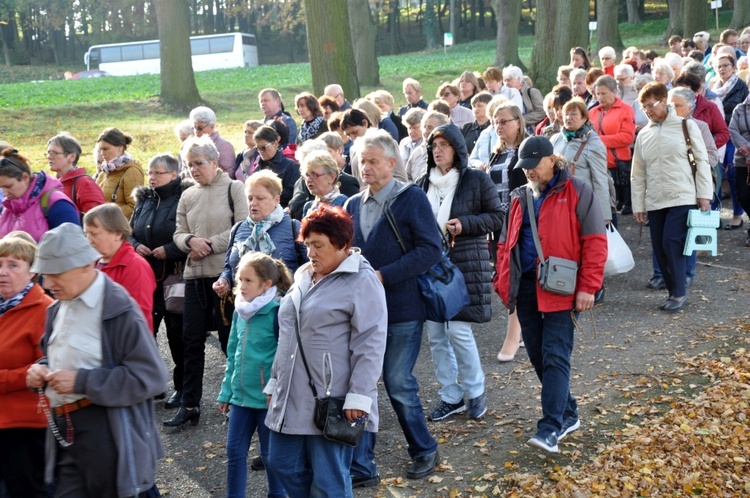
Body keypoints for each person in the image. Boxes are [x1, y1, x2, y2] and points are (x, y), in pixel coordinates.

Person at [26, 222, 168, 497]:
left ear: (85, 265)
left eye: (56, 273)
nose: (47, 283)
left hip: (108, 434)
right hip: (66, 432)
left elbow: (152, 377)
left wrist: (82, 381)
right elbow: (56, 357)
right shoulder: (57, 307)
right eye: (44, 274)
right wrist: (41, 370)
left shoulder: (119, 309)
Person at [494, 136, 607, 453]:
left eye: (532, 165)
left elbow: (596, 241)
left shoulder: (577, 190)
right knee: (539, 357)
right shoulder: (519, 198)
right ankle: (568, 412)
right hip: (528, 287)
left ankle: (550, 428)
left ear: (550, 160)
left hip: (563, 288)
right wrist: (504, 286)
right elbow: (505, 246)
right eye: (524, 166)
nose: (528, 171)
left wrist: (588, 286)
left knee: (555, 355)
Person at [265, 204, 387, 498]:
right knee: (281, 464)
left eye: (318, 245)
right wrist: (275, 381)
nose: (311, 253)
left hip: (334, 400)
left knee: (329, 481)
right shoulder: (305, 275)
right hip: (290, 393)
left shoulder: (363, 281)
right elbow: (288, 335)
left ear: (343, 245)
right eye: (307, 245)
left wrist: (359, 395)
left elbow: (370, 344)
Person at [346, 129, 443, 484]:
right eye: (361, 160)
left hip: (402, 309)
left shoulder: (411, 198)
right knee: (363, 384)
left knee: (398, 382)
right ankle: (362, 466)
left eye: (372, 160)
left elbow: (431, 250)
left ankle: (424, 448)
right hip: (363, 314)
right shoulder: (352, 204)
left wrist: (384, 276)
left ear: (391, 162)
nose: (365, 166)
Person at [417, 123, 502, 422]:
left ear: (457, 149)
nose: (437, 151)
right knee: (437, 335)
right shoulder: (421, 184)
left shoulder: (476, 180)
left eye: (443, 145)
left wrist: (465, 224)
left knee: (458, 330)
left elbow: (496, 217)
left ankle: (475, 391)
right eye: (433, 146)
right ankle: (451, 396)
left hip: (465, 264)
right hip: (430, 269)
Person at [167, 136, 248, 427]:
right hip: (194, 276)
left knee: (230, 342)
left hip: (225, 276)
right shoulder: (187, 195)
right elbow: (177, 233)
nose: (193, 169)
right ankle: (190, 404)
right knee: (191, 342)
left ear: (215, 161)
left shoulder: (234, 188)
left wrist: (209, 244)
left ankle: (237, 401)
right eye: (189, 165)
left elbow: (243, 228)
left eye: (199, 163)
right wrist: (189, 241)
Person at [632, 82, 713, 311]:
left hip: (683, 196)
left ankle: (679, 292)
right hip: (656, 199)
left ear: (664, 101)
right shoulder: (644, 135)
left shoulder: (686, 126)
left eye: (651, 105)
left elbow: (702, 161)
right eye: (643, 107)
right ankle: (672, 290)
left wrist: (704, 195)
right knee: (659, 247)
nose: (647, 110)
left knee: (672, 241)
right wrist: (639, 204)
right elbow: (637, 174)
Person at [218, 252, 291, 498]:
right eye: (240, 280)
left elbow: (285, 358)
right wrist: (226, 392)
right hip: (240, 398)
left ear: (266, 285)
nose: (242, 286)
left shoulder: (278, 312)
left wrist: (276, 389)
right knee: (234, 452)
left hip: (267, 401)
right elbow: (233, 353)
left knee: (271, 456)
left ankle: (277, 495)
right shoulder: (240, 311)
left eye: (248, 281)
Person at [130, 153, 190, 409]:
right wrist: (135, 245)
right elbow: (129, 232)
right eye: (150, 172)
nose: (152, 177)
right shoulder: (143, 199)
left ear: (174, 175)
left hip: (174, 276)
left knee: (178, 335)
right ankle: (151, 383)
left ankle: (182, 388)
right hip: (145, 277)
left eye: (159, 173)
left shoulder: (184, 198)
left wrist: (170, 249)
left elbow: (191, 236)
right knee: (145, 332)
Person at [0, 233, 51, 498]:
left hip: (24, 424)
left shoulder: (44, 310)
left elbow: (43, 372)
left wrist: (4, 380)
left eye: (13, 265)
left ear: (32, 272)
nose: (3, 272)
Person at [214, 169, 307, 303]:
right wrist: (224, 281)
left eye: (260, 198)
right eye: (250, 198)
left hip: (282, 308)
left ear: (276, 199)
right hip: (243, 309)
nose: (253, 203)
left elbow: (307, 268)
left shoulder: (294, 227)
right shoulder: (238, 228)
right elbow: (229, 267)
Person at [83, 203, 156, 332]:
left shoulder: (135, 266)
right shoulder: (91, 262)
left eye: (94, 234)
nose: (89, 240)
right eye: (86, 234)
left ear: (117, 234)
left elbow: (137, 318)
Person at [0, 149, 79, 241]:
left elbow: (72, 246)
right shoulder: (9, 206)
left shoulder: (57, 204)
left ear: (25, 178)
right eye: (1, 188)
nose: (5, 193)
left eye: (9, 186)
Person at [710, 55, 749, 230]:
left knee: (733, 177)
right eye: (718, 66)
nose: (722, 69)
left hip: (734, 137)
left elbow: (742, 115)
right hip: (717, 134)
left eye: (725, 65)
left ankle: (737, 215)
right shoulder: (713, 87)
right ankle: (714, 214)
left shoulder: (741, 87)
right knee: (716, 174)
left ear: (734, 67)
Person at [589, 75, 636, 215]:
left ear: (614, 92)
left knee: (619, 201)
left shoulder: (625, 109)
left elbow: (627, 137)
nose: (600, 97)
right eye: (597, 94)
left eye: (604, 93)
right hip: (599, 162)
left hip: (618, 163)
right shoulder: (592, 112)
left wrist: (599, 140)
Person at [46, 132, 105, 216]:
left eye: (54, 153)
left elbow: (98, 218)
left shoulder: (84, 184)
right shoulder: (54, 184)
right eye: (48, 153)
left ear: (72, 157)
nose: (49, 156)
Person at [94, 127, 144, 220]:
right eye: (101, 149)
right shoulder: (104, 172)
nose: (102, 153)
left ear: (120, 148)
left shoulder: (132, 171)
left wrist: (105, 216)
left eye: (106, 149)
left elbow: (135, 207)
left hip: (119, 230)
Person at [252, 125, 301, 208]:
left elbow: (292, 193)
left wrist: (265, 195)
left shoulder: (290, 166)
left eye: (264, 148)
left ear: (275, 143)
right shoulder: (257, 169)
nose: (261, 151)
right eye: (258, 148)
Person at [728, 82, 750, 246]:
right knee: (743, 195)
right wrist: (747, 150)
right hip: (742, 159)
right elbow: (733, 130)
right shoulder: (740, 109)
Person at [190, 106, 236, 178]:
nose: (196, 131)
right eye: (194, 128)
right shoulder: (192, 145)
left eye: (200, 128)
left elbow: (228, 174)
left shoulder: (224, 146)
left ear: (211, 126)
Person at [301, 150, 349, 217]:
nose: (308, 180)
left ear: (331, 177)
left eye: (314, 174)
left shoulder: (345, 203)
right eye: (307, 175)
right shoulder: (308, 207)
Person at [405, 110, 450, 182]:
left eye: (430, 127)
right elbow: (407, 178)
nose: (425, 131)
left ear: (441, 129)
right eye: (424, 127)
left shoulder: (450, 152)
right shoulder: (417, 152)